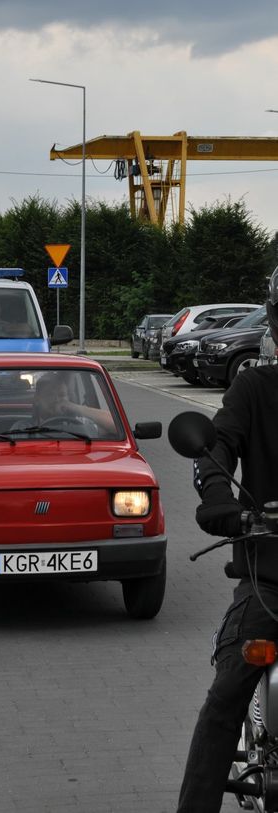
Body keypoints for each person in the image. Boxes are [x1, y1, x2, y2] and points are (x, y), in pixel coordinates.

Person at [176, 267, 278, 812]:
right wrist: (221, 498)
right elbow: (215, 448)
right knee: (226, 697)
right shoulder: (254, 387)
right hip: (272, 579)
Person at [14, 372, 117, 435]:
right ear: (37, 399)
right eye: (50, 395)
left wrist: (72, 406)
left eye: (62, 395)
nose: (57, 400)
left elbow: (115, 425)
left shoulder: (82, 424)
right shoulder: (23, 427)